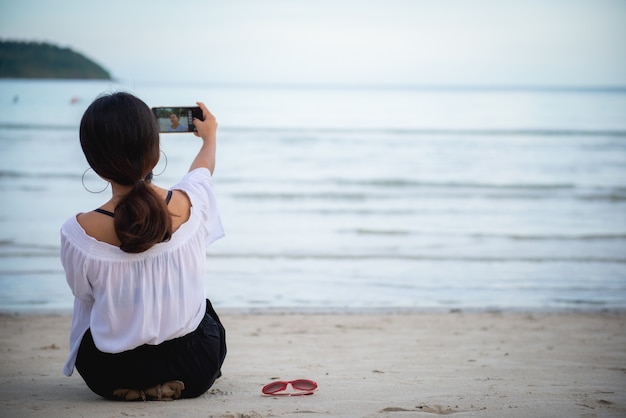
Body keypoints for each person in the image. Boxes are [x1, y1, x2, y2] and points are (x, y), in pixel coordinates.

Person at [60, 92, 226, 401]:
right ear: (155, 151)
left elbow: (84, 296)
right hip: (193, 367)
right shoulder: (192, 204)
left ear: (95, 164)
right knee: (207, 312)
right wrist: (209, 139)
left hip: (110, 370)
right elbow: (201, 173)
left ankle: (132, 387)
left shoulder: (78, 233)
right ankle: (164, 385)